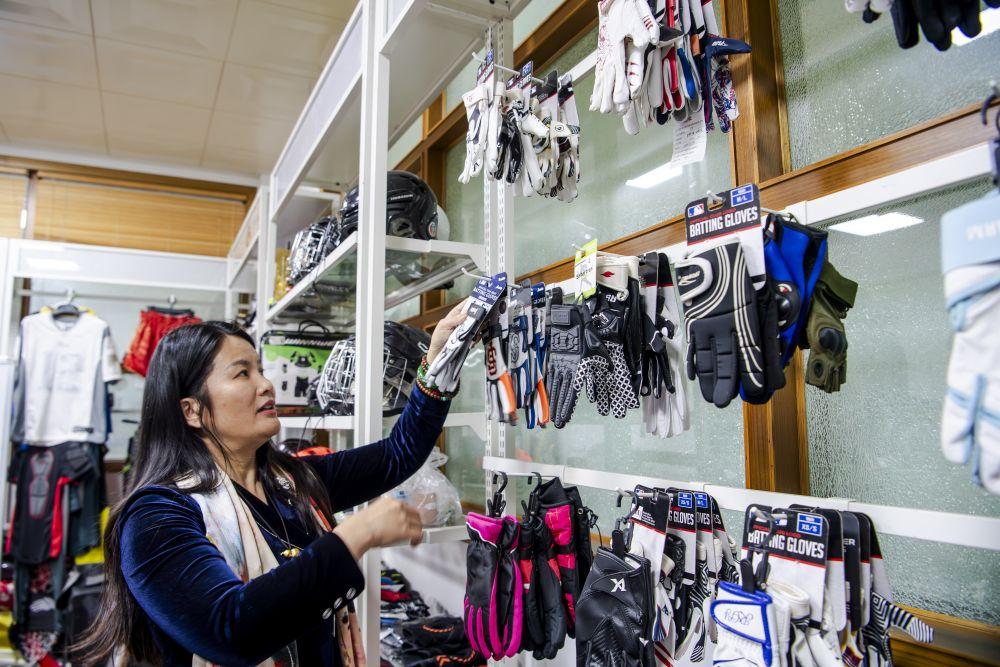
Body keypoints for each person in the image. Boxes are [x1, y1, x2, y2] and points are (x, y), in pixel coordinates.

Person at [76, 303, 470, 666]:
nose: (266, 384)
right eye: (242, 373)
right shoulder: (156, 517)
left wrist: (439, 358)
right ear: (191, 410)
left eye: (260, 370)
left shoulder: (292, 482)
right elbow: (231, 631)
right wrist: (355, 536)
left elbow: (397, 454)